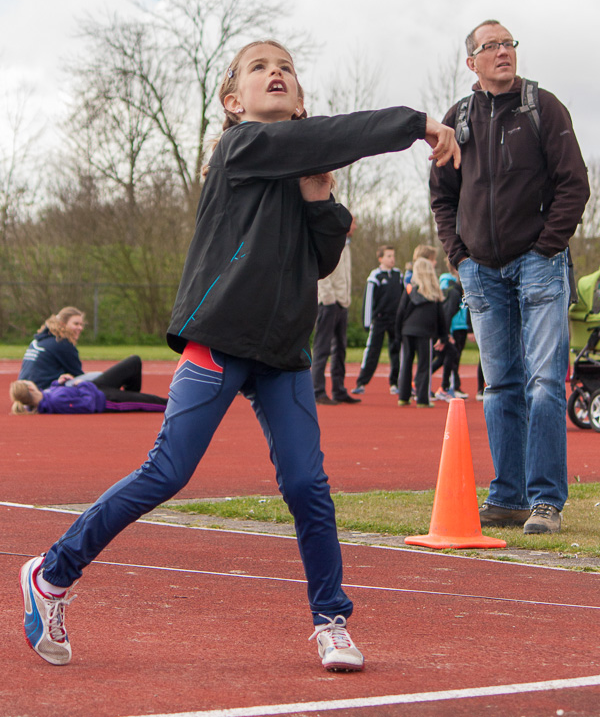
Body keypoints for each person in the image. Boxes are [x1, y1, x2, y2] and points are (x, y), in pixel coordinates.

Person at [19, 39, 459, 672]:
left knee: (308, 485)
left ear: (299, 99)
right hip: (220, 340)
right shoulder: (240, 149)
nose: (275, 73)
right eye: (260, 67)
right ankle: (51, 573)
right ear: (233, 101)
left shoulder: (302, 164)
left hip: (281, 354)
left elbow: (324, 259)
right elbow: (323, 139)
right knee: (167, 473)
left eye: (286, 68)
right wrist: (413, 124)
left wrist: (319, 201)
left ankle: (331, 620)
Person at [430, 19, 589, 534]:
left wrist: (548, 246)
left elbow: (574, 184)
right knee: (500, 386)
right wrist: (461, 257)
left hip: (539, 264)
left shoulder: (544, 108)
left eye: (508, 43)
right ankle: (509, 496)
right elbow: (442, 197)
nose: (503, 51)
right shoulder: (457, 119)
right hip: (482, 273)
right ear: (471, 62)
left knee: (544, 383)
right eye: (490, 46)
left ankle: (546, 502)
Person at [10, 356, 168, 414]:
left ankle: (133, 398)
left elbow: (56, 391)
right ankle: (135, 401)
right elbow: (87, 404)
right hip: (105, 398)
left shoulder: (46, 395)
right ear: (30, 388)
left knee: (134, 362)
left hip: (97, 386)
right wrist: (81, 386)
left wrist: (59, 382)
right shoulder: (55, 402)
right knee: (156, 402)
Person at [312, 217, 359, 405]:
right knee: (322, 347)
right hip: (328, 302)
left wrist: (344, 299)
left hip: (342, 302)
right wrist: (328, 298)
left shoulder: (346, 245)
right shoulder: (331, 241)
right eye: (353, 222)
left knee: (340, 348)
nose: (355, 226)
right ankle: (317, 390)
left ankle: (338, 389)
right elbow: (322, 271)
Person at [351, 245, 403, 396]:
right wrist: (367, 323)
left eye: (393, 256)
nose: (392, 259)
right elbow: (368, 301)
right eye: (388, 256)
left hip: (395, 320)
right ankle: (361, 382)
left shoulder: (398, 275)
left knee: (396, 350)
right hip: (379, 320)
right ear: (380, 259)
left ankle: (395, 383)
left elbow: (403, 298)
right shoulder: (375, 276)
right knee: (373, 351)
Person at [395, 258, 447, 407]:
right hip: (425, 332)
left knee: (406, 363)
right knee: (424, 365)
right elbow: (441, 318)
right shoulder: (434, 293)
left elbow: (400, 313)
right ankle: (422, 399)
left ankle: (403, 397)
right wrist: (442, 337)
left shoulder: (410, 289)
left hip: (408, 331)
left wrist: (398, 334)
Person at [18, 308, 88, 389]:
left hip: (22, 391)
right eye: (76, 324)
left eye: (81, 324)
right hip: (40, 393)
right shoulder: (63, 343)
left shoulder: (38, 340)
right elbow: (78, 375)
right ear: (63, 324)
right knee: (87, 382)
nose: (80, 328)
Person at [431, 263, 470, 401]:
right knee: (450, 354)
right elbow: (446, 312)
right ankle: (444, 387)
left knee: (445, 357)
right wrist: (446, 334)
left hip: (451, 328)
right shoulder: (452, 289)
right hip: (447, 329)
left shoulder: (458, 289)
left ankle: (421, 384)